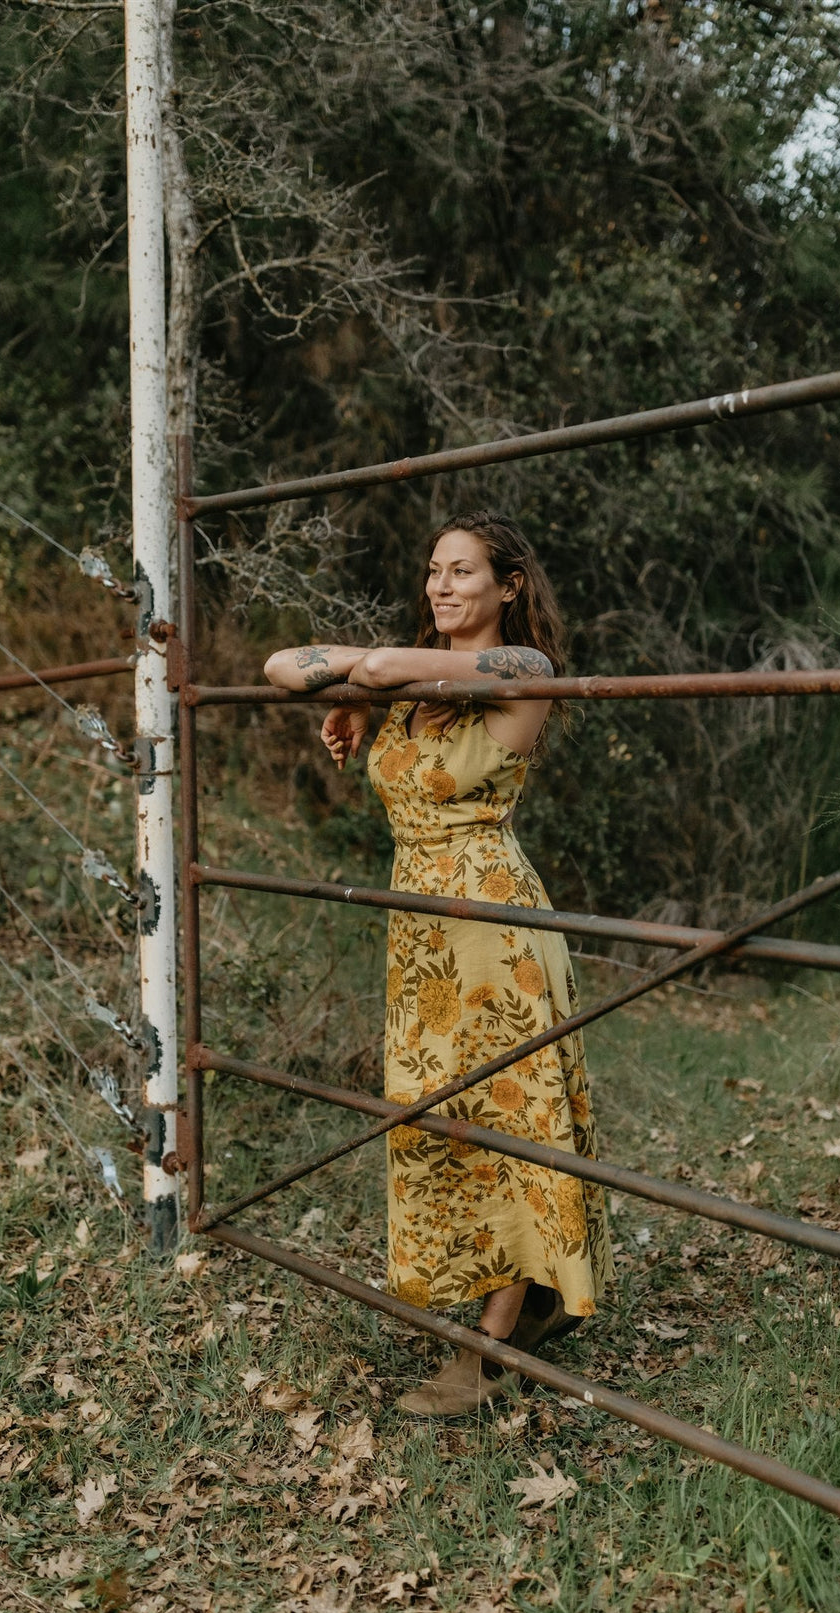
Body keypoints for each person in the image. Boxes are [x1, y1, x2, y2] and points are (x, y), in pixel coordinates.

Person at [263, 510, 613, 1415]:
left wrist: (365, 684)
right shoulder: (420, 689)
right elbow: (282, 666)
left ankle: (488, 1350)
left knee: (510, 1116)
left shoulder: (523, 673)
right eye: (432, 571)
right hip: (418, 930)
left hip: (492, 922)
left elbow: (369, 665)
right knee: (439, 1120)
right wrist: (364, 694)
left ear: (510, 588)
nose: (441, 587)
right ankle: (515, 1297)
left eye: (462, 572)